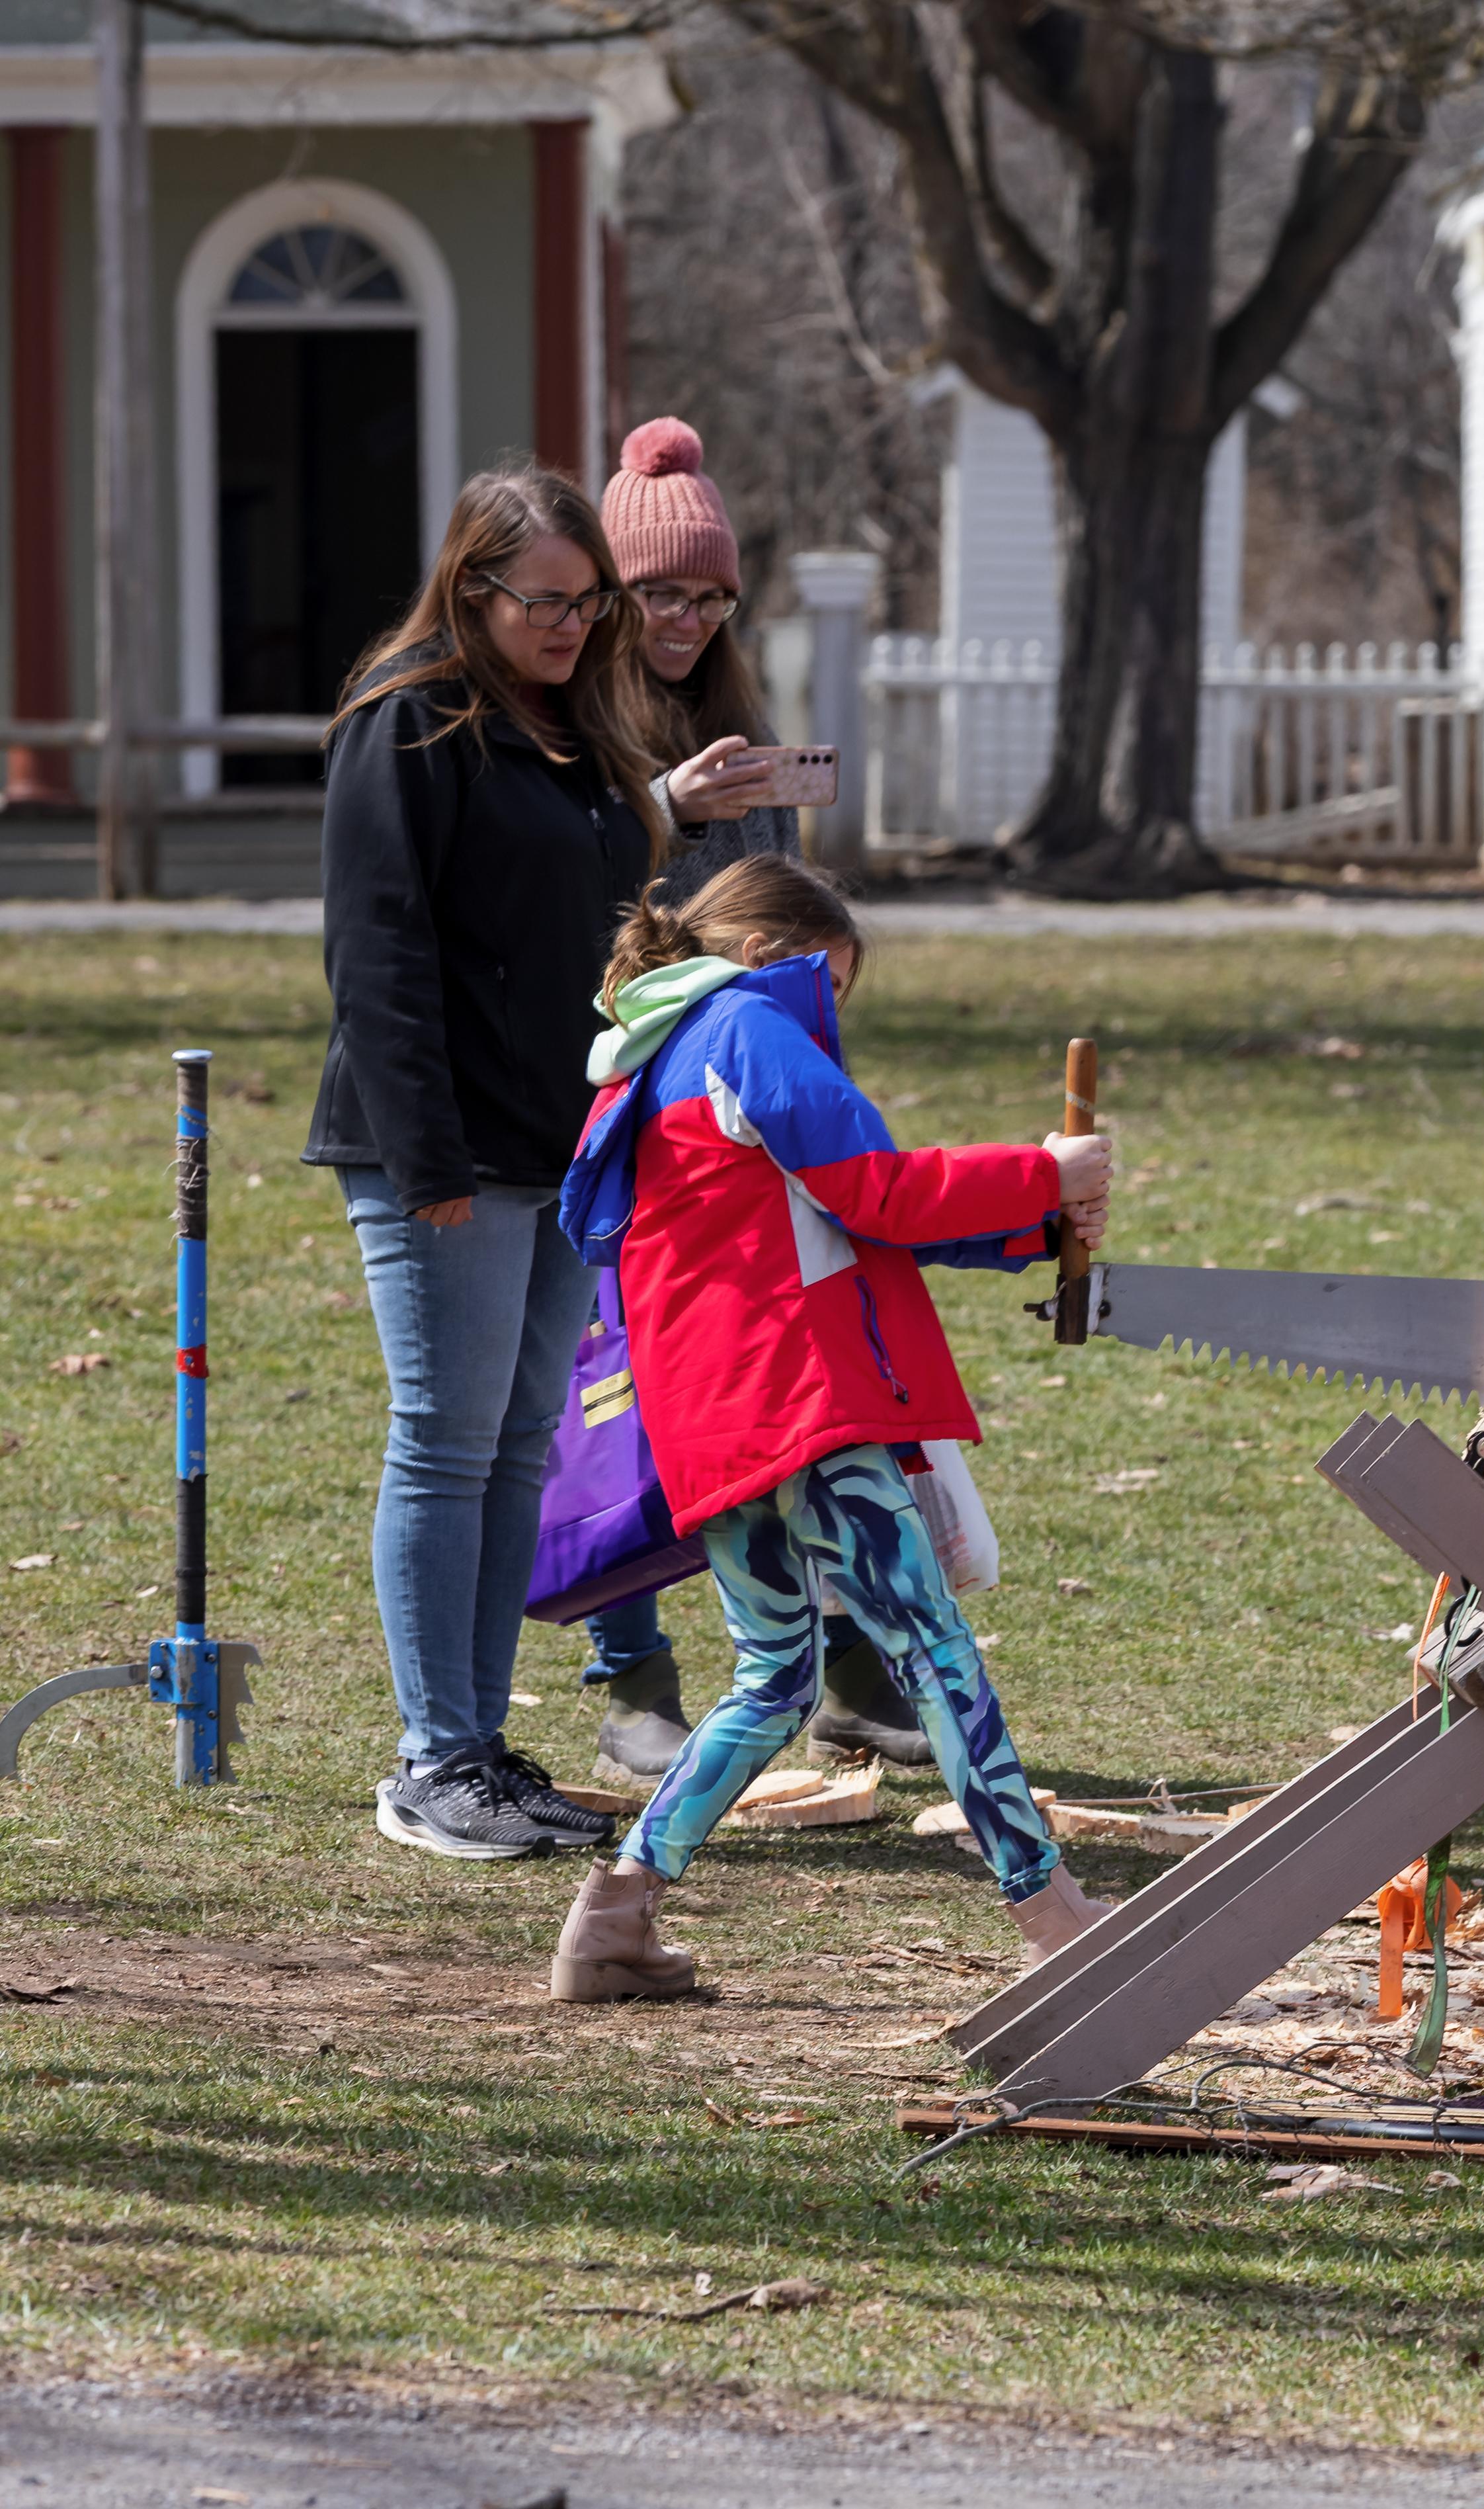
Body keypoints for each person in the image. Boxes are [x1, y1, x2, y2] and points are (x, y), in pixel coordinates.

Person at [543, 855, 1114, 2000]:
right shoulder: (750, 1024)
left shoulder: (658, 1054)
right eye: (834, 987)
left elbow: (828, 1217)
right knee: (931, 1647)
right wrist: (1040, 1174)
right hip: (797, 1400)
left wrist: (1033, 1221)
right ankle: (1053, 1914)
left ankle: (611, 1919)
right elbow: (874, 1191)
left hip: (715, 1414)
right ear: (779, 955)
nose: (832, 1015)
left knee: (776, 1674)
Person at [307, 464, 665, 1862]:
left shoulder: (573, 732)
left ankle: (480, 1746)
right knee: (447, 1442)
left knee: (520, 1444)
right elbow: (378, 955)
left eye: (591, 601)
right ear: (474, 589)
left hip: (557, 1141)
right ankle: (431, 1762)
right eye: (546, 602)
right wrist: (426, 1154)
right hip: (439, 1147)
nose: (573, 625)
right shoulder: (405, 726)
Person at [574, 415, 926, 1781]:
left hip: (751, 1106)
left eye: (710, 597)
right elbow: (569, 896)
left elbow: (766, 911)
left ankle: (846, 1659)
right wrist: (663, 803)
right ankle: (634, 1680)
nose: (686, 617)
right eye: (662, 592)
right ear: (612, 592)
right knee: (623, 1397)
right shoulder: (576, 726)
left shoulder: (742, 719)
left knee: (793, 1379)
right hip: (625, 1099)